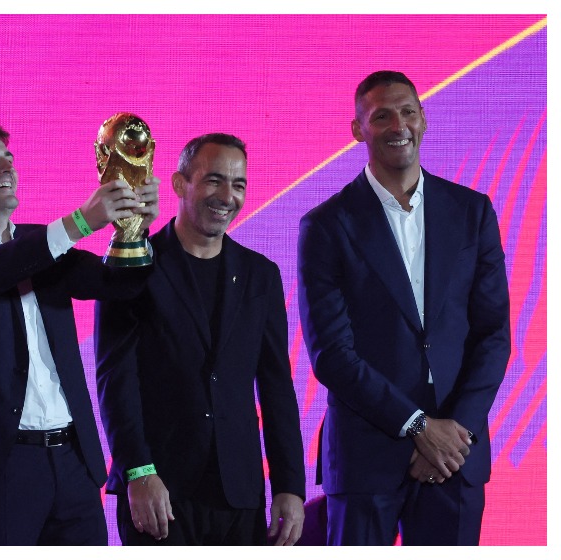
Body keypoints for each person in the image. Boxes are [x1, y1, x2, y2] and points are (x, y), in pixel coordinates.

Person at [0, 122, 159, 545]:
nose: (7, 167)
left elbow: (118, 285)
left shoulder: (42, 242)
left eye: (9, 158)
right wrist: (79, 221)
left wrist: (134, 230)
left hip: (72, 461)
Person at [297, 70, 511, 545]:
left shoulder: (472, 212)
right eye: (382, 116)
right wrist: (418, 427)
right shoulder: (326, 226)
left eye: (408, 112)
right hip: (367, 456)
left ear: (424, 119)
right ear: (358, 130)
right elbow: (331, 354)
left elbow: (494, 335)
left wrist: (454, 434)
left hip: (457, 456)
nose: (399, 126)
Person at [95, 133, 306, 546]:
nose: (227, 196)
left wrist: (289, 486)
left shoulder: (260, 275)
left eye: (238, 184)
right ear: (179, 184)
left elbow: (277, 388)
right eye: (214, 180)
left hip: (238, 493)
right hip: (159, 491)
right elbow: (115, 381)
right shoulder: (133, 266)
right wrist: (138, 471)